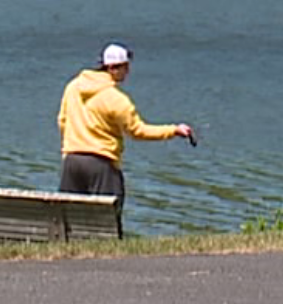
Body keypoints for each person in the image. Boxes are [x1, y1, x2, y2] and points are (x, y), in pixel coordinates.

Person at [58, 41, 192, 202]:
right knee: (106, 218)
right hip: (101, 163)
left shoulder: (73, 87)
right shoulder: (116, 99)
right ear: (113, 68)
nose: (127, 72)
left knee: (70, 215)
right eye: (125, 67)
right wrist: (174, 130)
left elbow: (62, 121)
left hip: (72, 161)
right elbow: (137, 131)